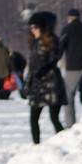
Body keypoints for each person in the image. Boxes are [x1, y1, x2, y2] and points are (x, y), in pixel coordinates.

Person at [25, 12, 68, 145]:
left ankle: (66, 142)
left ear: (42, 28)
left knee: (54, 118)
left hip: (51, 84)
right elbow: (32, 67)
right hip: (37, 86)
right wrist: (27, 84)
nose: (33, 31)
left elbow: (54, 58)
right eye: (31, 28)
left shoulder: (51, 40)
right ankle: (36, 145)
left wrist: (42, 69)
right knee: (33, 118)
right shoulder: (34, 43)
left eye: (35, 27)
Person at [59, 8, 82, 128]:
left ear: (69, 18)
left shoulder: (67, 30)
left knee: (68, 96)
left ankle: (70, 124)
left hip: (73, 67)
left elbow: (60, 47)